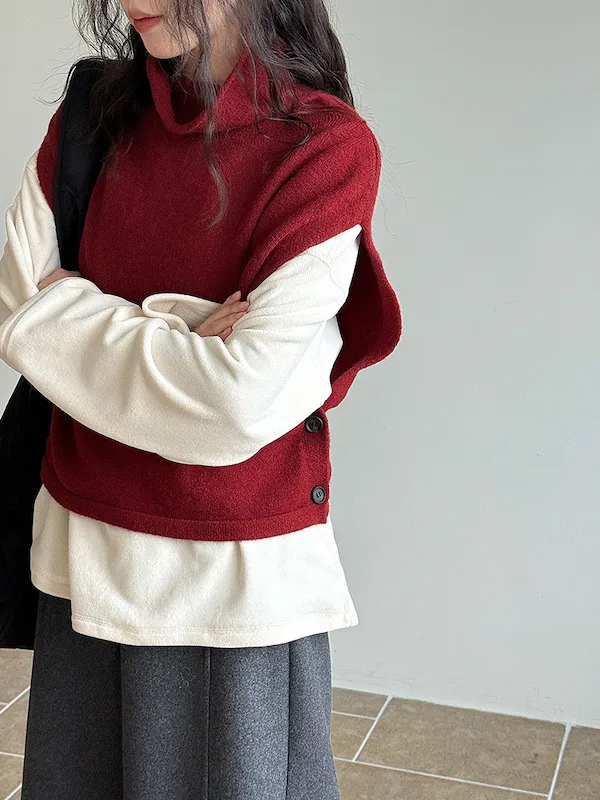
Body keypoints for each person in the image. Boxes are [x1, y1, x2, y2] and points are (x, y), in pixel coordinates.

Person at [0, 0, 402, 797]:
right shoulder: (93, 116)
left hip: (226, 588)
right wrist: (184, 328)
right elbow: (17, 305)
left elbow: (233, 406)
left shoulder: (324, 148)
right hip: (80, 560)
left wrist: (72, 307)